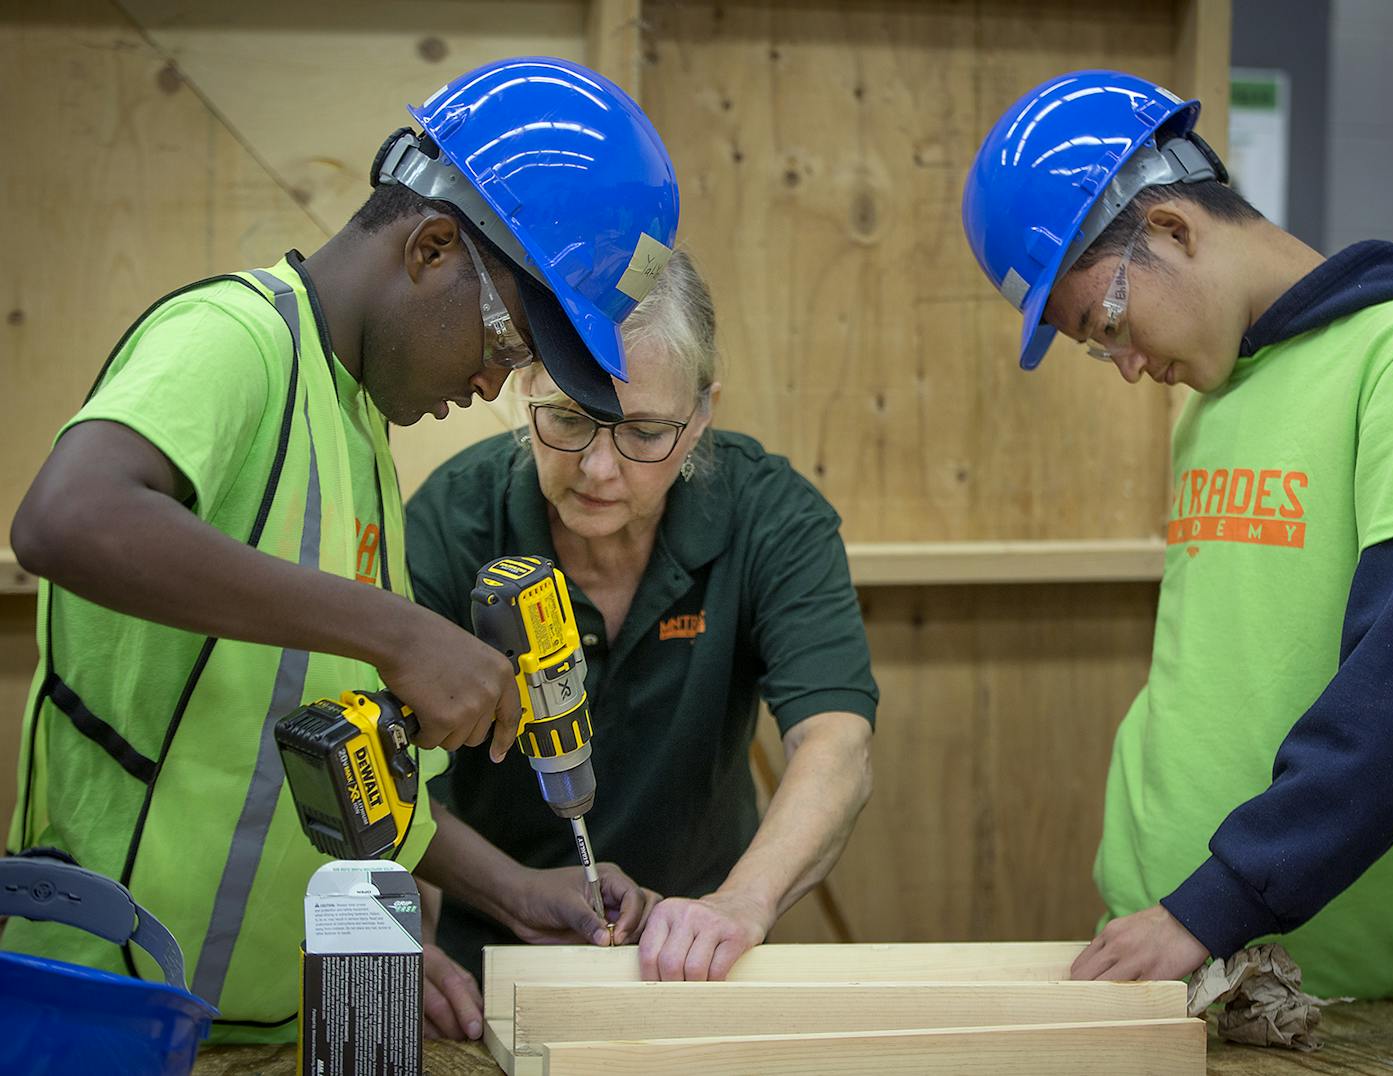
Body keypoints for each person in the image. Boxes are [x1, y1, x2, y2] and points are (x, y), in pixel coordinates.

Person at [4, 56, 678, 1041]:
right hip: (108, 1017)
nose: (489, 386)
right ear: (433, 246)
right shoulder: (235, 339)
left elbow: (322, 752)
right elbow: (64, 519)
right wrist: (399, 629)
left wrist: (516, 887)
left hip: (253, 1030)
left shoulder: (356, 432)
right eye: (501, 350)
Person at [961, 70, 1393, 997]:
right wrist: (1171, 910)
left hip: (1328, 985)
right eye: (1101, 349)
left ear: (1173, 228)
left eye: (1109, 323)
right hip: (1169, 947)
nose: (1127, 367)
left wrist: (1214, 902)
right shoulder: (1210, 396)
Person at [404, 250, 877, 1038]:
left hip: (702, 959)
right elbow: (392, 780)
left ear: (701, 417)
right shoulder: (453, 521)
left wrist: (741, 904)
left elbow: (837, 743)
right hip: (491, 963)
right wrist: (509, 890)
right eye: (567, 416)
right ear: (526, 383)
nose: (598, 468)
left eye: (646, 433)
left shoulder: (772, 517)